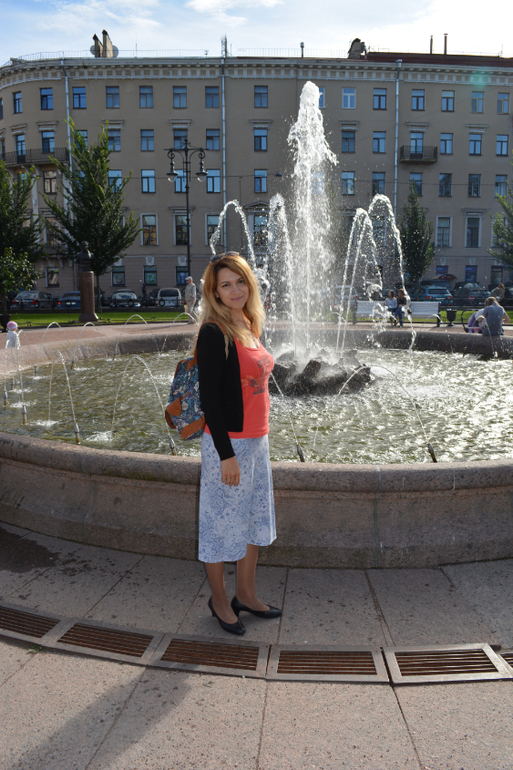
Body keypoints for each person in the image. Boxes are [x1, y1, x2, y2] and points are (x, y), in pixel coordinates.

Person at [196, 251, 280, 636]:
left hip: (257, 441)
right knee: (219, 527)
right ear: (214, 292)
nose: (234, 290)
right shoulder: (214, 332)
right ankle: (219, 600)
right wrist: (226, 456)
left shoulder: (248, 323)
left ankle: (245, 594)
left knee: (253, 521)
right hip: (228, 445)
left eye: (240, 281)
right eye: (225, 285)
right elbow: (210, 400)